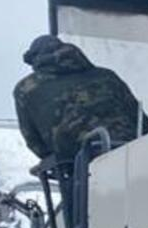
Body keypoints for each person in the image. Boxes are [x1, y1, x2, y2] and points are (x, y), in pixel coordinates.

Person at [12, 35, 141, 171]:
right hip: (134, 161)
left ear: (35, 59)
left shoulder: (26, 89)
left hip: (79, 172)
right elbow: (143, 123)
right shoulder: (107, 76)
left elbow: (35, 142)